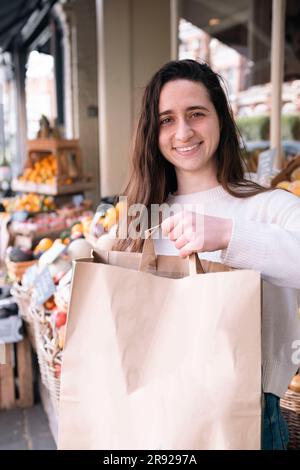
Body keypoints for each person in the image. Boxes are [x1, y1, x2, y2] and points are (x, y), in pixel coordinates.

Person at [113, 59, 300, 449]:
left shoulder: (269, 206)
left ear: (221, 118)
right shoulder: (141, 217)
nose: (182, 132)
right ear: (152, 131)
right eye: (166, 119)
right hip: (153, 415)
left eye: (196, 114)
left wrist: (230, 234)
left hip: (243, 418)